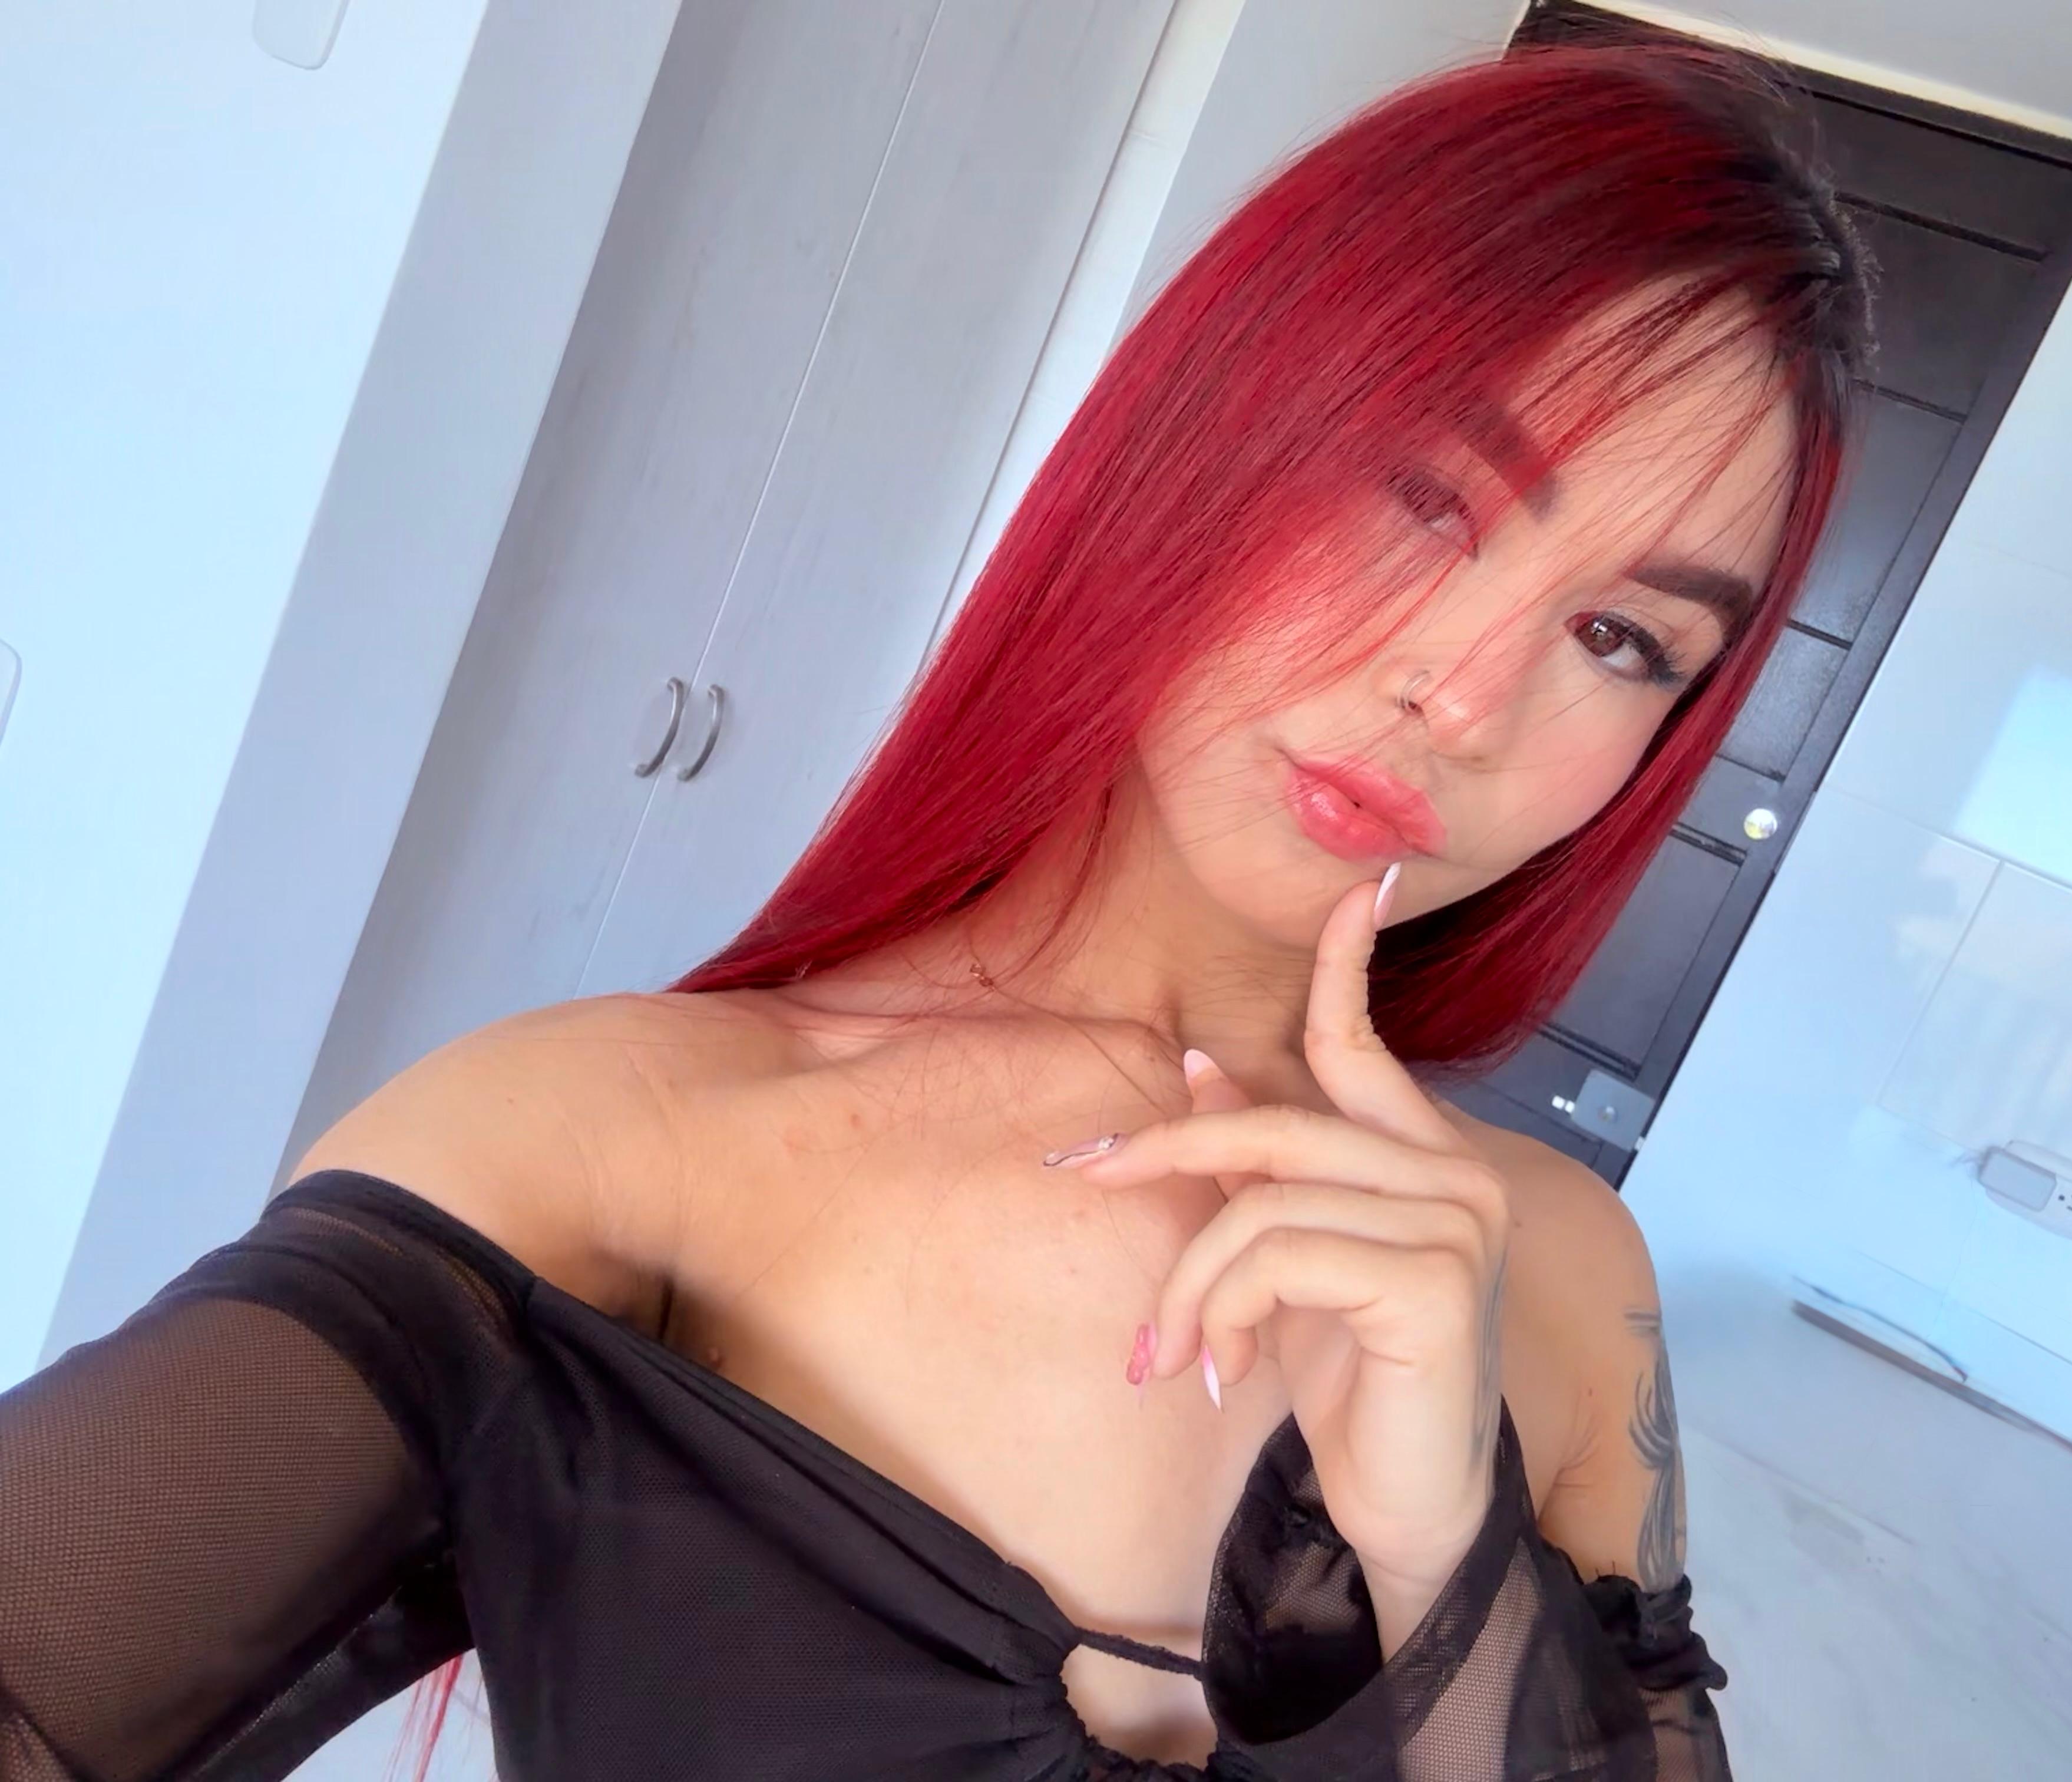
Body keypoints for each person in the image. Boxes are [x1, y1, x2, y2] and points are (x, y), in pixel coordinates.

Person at [0, 42, 1866, 1782]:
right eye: (1427, 500)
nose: (1462, 698)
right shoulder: (612, 1147)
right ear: (1203, 432)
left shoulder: (1561, 1272)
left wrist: (1440, 1560)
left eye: (1619, 637)